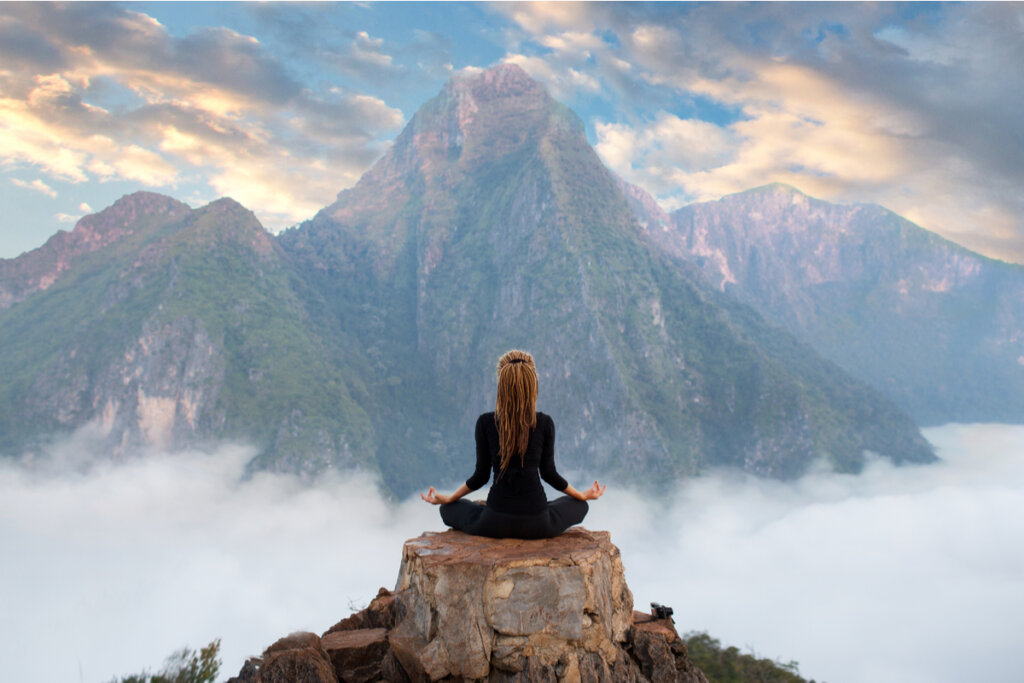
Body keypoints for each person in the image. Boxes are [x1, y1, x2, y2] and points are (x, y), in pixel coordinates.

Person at [421, 349, 606, 539]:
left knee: (447, 509)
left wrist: (450, 498)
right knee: (580, 506)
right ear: (533, 385)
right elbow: (549, 474)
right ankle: (546, 508)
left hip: (493, 522)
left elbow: (480, 477)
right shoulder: (544, 423)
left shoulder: (486, 422)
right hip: (538, 523)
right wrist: (582, 496)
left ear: (501, 385)